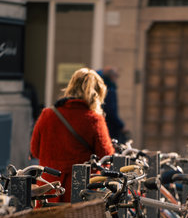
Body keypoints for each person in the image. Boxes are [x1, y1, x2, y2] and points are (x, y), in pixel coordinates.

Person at [30, 68, 115, 202]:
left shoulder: (47, 114)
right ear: (97, 95)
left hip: (48, 190)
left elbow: (35, 151)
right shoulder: (93, 119)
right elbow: (107, 156)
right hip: (79, 192)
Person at [97, 67, 128, 143]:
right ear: (111, 77)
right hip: (110, 127)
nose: (117, 78)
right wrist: (121, 125)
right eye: (116, 76)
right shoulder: (110, 90)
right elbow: (110, 111)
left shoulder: (102, 89)